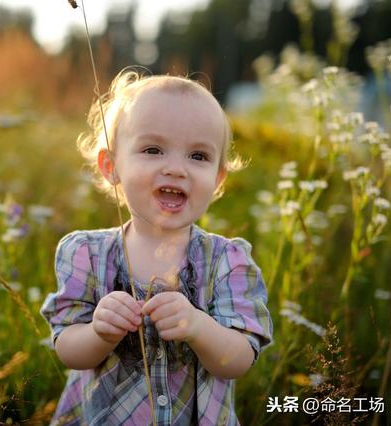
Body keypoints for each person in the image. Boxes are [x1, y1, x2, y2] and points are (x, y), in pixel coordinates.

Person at [40, 70, 273, 425]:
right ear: (111, 166)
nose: (176, 168)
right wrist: (99, 331)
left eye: (198, 156)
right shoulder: (86, 254)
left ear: (218, 178)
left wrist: (198, 326)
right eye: (153, 149)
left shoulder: (227, 261)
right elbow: (68, 350)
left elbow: (240, 359)